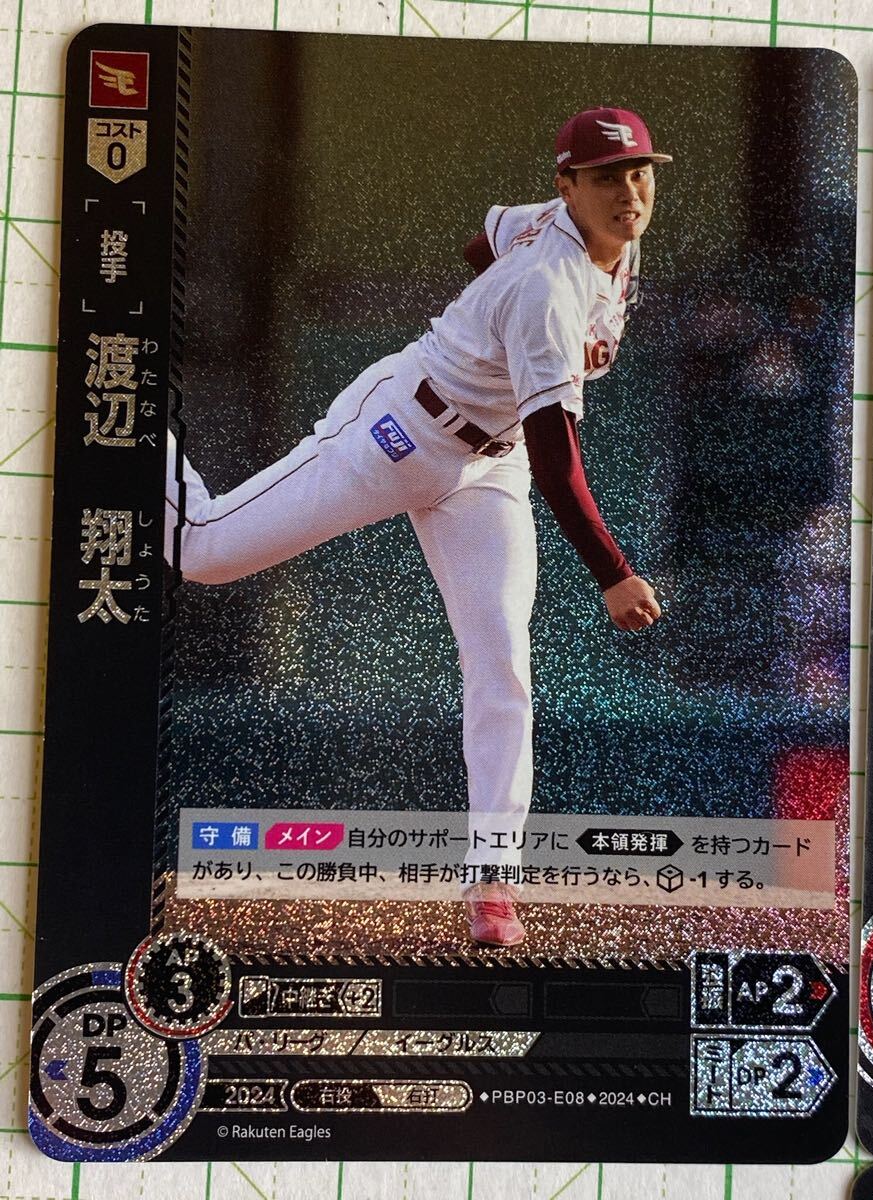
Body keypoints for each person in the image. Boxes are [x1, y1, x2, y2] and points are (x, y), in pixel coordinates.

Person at [165, 106, 668, 948]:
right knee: (202, 552)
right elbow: (559, 464)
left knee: (502, 662)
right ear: (569, 184)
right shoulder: (547, 288)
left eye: (640, 172)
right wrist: (613, 571)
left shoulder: (599, 233)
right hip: (398, 433)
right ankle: (140, 425)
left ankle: (493, 881)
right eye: (607, 176)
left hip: (488, 465)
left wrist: (482, 317)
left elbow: (483, 239)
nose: (630, 191)